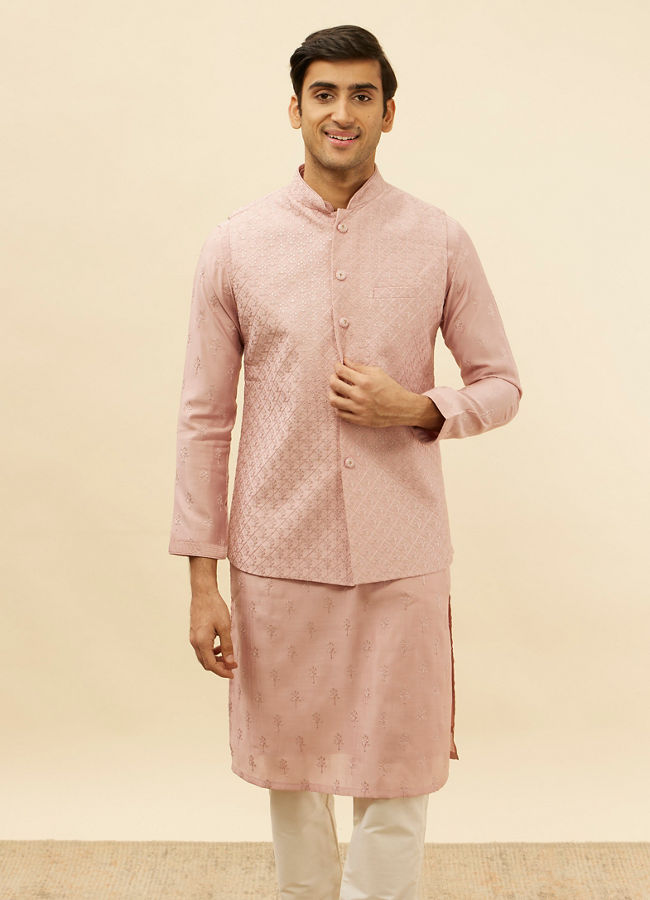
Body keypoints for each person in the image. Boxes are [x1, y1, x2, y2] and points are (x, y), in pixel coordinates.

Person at [168, 23, 522, 900]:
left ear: (389, 113)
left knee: (398, 777)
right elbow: (205, 421)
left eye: (363, 95)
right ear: (294, 109)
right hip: (276, 558)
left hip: (403, 556)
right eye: (324, 94)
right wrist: (203, 583)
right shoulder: (236, 245)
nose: (342, 112)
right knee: (294, 779)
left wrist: (421, 408)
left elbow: (502, 383)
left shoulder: (438, 239)